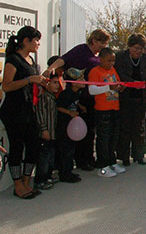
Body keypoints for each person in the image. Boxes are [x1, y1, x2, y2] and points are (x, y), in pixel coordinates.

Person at [44, 29, 111, 171]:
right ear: (94, 40)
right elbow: (63, 59)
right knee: (79, 132)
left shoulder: (97, 56)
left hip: (92, 97)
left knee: (90, 131)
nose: (103, 47)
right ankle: (80, 161)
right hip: (78, 97)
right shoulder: (80, 50)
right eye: (102, 43)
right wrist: (50, 69)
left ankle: (88, 158)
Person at [0, 26, 47, 199]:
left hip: (29, 110)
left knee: (33, 147)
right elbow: (7, 86)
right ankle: (18, 185)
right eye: (36, 40)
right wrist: (29, 79)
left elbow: (31, 85)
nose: (38, 44)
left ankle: (27, 181)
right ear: (26, 41)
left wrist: (40, 85)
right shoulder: (13, 60)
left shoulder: (32, 61)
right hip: (13, 111)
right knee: (17, 148)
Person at [115, 34, 146, 166]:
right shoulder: (120, 57)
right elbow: (118, 73)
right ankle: (124, 157)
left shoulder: (145, 59)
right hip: (125, 96)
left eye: (140, 48)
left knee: (139, 128)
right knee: (125, 128)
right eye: (135, 48)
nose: (138, 51)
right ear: (129, 46)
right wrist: (132, 82)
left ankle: (139, 156)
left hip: (141, 98)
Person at [88, 48, 126, 177]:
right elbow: (92, 90)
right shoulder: (95, 71)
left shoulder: (112, 70)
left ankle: (112, 162)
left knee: (113, 137)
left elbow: (117, 83)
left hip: (114, 107)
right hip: (102, 109)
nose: (111, 63)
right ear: (101, 59)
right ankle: (102, 166)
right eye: (109, 60)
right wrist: (108, 87)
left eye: (113, 60)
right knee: (103, 139)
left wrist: (120, 87)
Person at [56, 68, 86, 183]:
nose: (84, 80)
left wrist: (81, 107)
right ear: (73, 82)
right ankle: (64, 174)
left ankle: (68, 171)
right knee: (65, 150)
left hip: (72, 127)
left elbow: (74, 104)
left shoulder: (76, 93)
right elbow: (58, 107)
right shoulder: (66, 94)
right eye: (81, 79)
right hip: (64, 126)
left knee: (70, 149)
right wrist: (70, 113)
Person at [34, 74, 60, 190]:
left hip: (53, 133)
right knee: (43, 158)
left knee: (51, 156)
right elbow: (39, 114)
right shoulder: (43, 97)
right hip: (45, 133)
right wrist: (43, 129)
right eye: (54, 82)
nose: (57, 85)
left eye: (58, 82)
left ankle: (48, 176)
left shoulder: (52, 97)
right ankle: (40, 180)